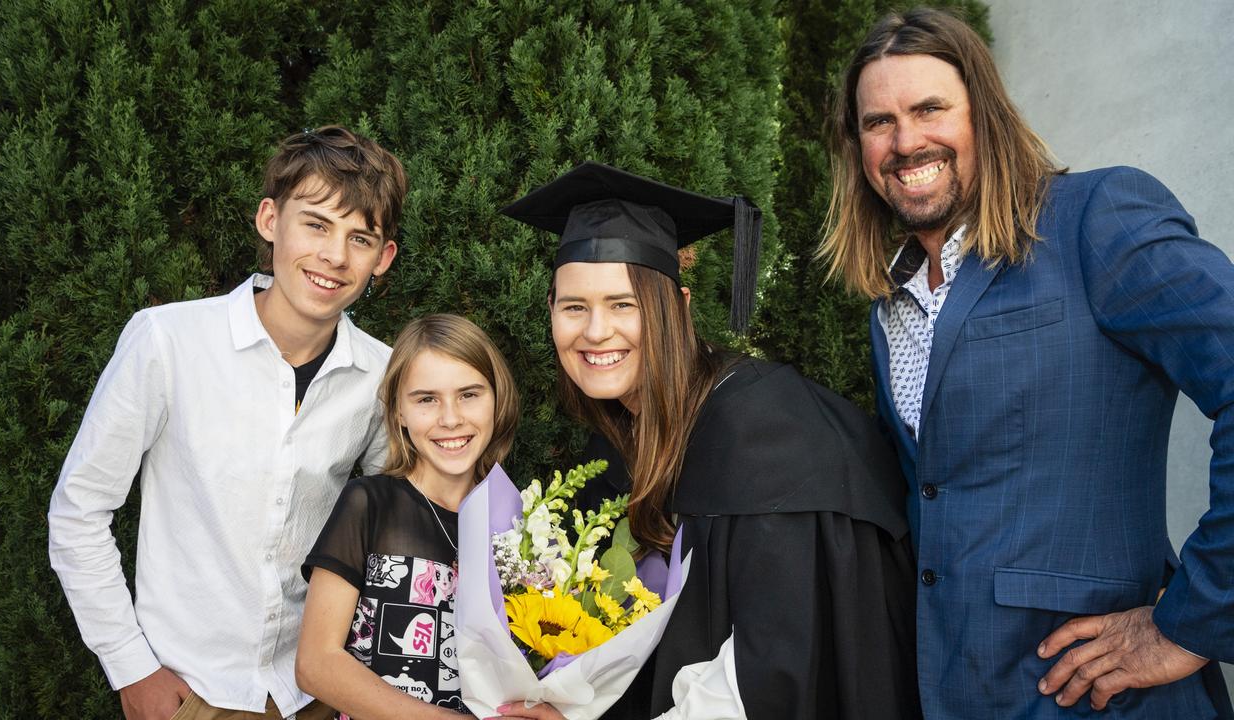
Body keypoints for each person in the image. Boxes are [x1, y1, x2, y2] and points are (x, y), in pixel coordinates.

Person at [818, 7, 1234, 719]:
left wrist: (1191, 622)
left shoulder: (1095, 219)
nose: (906, 140)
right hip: (958, 692)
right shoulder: (888, 309)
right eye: (877, 122)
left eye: (929, 109)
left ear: (984, 114)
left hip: (1101, 697)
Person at [491, 162, 919, 720]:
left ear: (680, 307)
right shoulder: (618, 446)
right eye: (575, 307)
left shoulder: (768, 431)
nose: (595, 332)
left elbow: (772, 671)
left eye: (625, 304)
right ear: (551, 314)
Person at [48, 126, 406, 720]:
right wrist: (132, 668)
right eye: (316, 224)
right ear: (271, 219)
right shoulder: (168, 342)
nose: (335, 256)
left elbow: (398, 524)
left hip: (316, 693)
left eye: (359, 238)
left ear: (382, 258)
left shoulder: (382, 375)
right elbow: (78, 510)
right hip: (193, 695)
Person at [296, 314, 519, 719]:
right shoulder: (369, 503)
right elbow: (316, 664)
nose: (450, 418)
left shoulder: (520, 527)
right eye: (426, 399)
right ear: (398, 411)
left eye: (469, 394)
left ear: (497, 400)